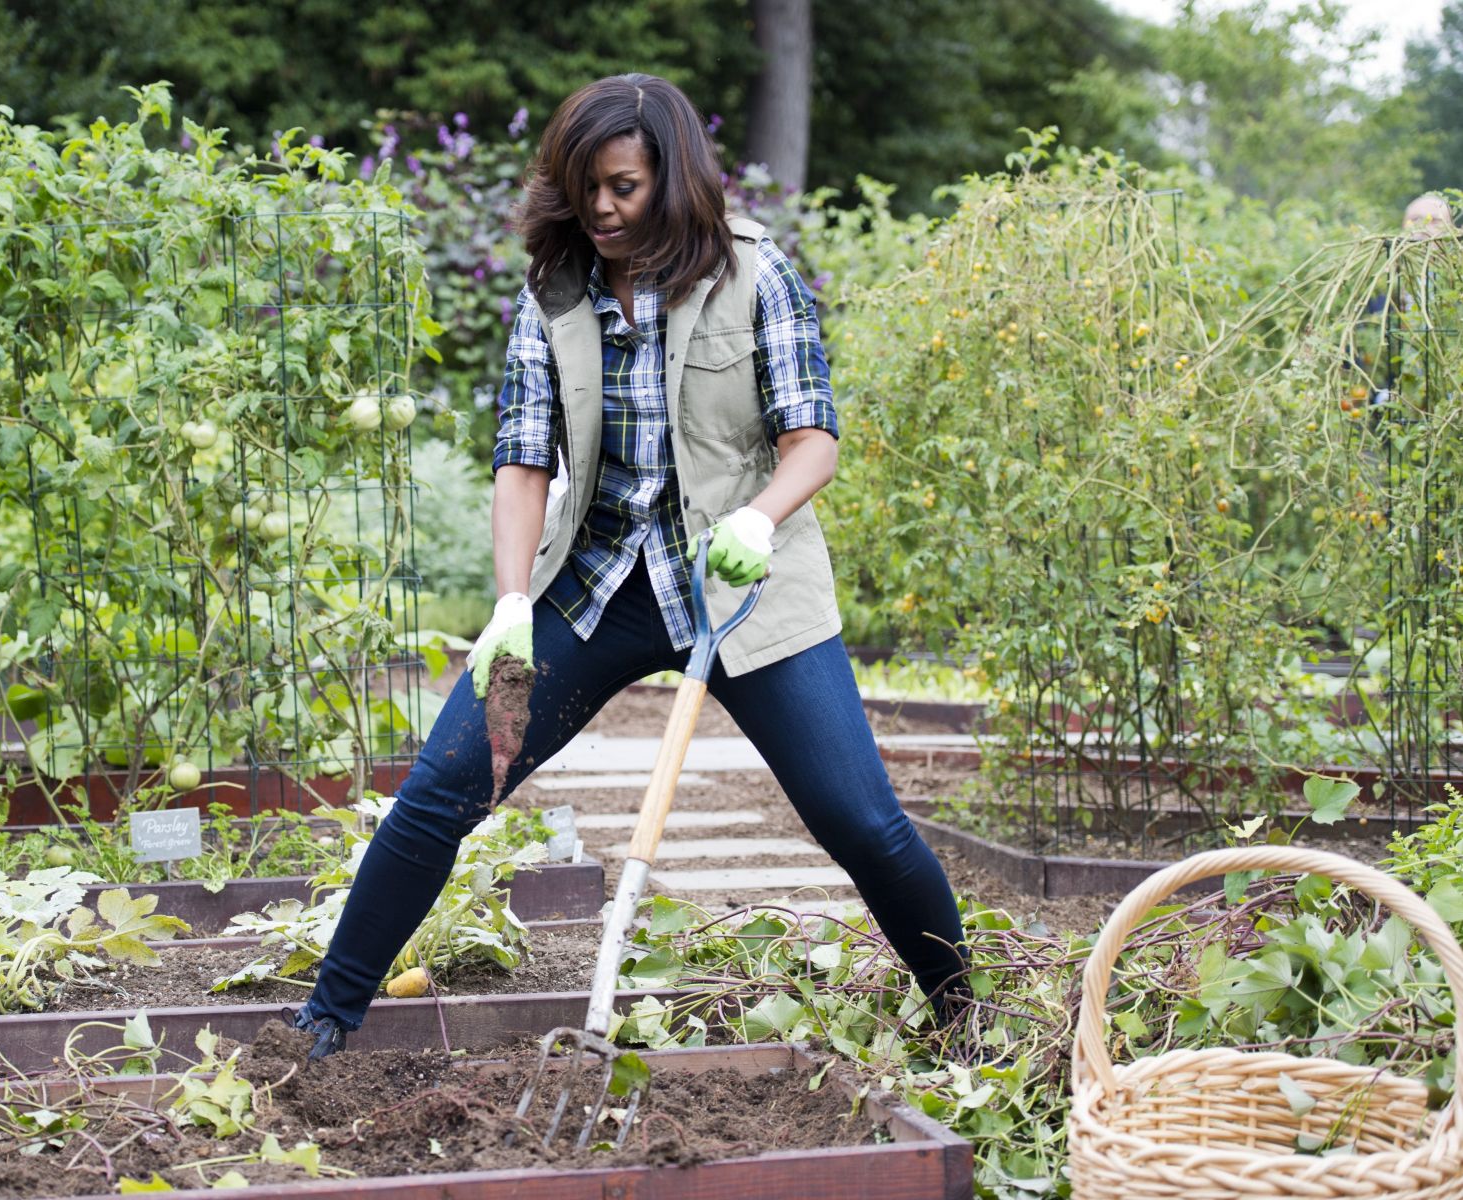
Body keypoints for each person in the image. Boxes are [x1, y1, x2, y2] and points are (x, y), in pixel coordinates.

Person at [281, 73, 968, 1060]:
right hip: (596, 589)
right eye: (585, 186)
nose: (601, 207)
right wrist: (512, 603)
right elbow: (524, 462)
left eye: (624, 186)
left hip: (742, 592)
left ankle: (962, 1017)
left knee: (860, 820)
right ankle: (322, 1024)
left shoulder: (755, 277)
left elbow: (811, 438)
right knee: (439, 790)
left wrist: (765, 519)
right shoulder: (552, 297)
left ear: (672, 179)